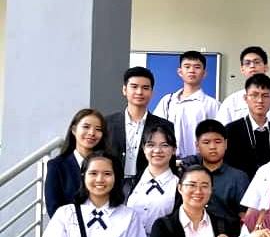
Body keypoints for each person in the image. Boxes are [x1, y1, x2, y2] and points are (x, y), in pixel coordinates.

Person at [106, 66, 174, 194]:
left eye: (145, 88)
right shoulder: (108, 123)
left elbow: (170, 163)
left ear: (152, 92)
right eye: (134, 86)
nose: (139, 92)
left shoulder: (165, 126)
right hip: (112, 187)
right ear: (124, 90)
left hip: (149, 189)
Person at [180, 120, 250, 237]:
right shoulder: (188, 174)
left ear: (226, 144)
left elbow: (245, 218)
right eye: (206, 142)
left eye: (218, 142)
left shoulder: (238, 177)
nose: (212, 147)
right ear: (197, 146)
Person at [152, 51, 220, 159]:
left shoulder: (212, 105)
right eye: (187, 67)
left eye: (197, 67)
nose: (192, 70)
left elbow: (218, 138)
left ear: (204, 73)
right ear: (180, 72)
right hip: (169, 161)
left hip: (200, 162)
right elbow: (156, 131)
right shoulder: (167, 101)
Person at [45, 109, 110, 217]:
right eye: (86, 127)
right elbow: (54, 208)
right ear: (74, 130)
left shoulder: (109, 164)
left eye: (98, 129)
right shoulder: (57, 166)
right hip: (69, 226)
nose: (92, 133)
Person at [223, 74, 270, 179]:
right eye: (254, 95)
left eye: (265, 96)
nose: (260, 100)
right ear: (245, 98)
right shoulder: (231, 130)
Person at [216, 45, 269, 124]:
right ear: (242, 69)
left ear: (266, 67)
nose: (252, 66)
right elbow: (221, 129)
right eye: (247, 63)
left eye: (257, 62)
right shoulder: (231, 101)